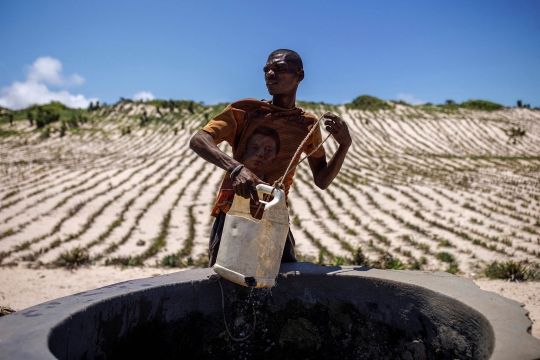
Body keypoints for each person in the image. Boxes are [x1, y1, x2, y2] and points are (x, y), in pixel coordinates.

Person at [189, 49, 352, 267]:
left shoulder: (307, 125)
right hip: (234, 215)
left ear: (300, 75)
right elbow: (199, 140)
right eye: (267, 69)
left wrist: (344, 146)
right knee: (225, 285)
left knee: (279, 285)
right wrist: (237, 169)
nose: (270, 74)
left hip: (274, 217)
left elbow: (322, 180)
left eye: (280, 69)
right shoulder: (245, 111)